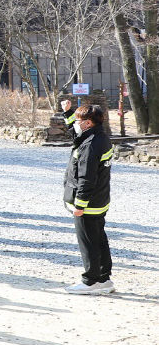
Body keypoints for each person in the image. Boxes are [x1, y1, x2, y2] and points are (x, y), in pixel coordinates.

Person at [62, 101, 115, 294]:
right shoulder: (99, 137)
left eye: (79, 120)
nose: (77, 123)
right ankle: (103, 278)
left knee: (88, 242)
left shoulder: (90, 145)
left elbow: (86, 177)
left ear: (89, 123)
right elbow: (75, 133)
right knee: (99, 238)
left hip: (88, 204)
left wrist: (80, 204)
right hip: (99, 201)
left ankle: (90, 281)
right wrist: (67, 112)